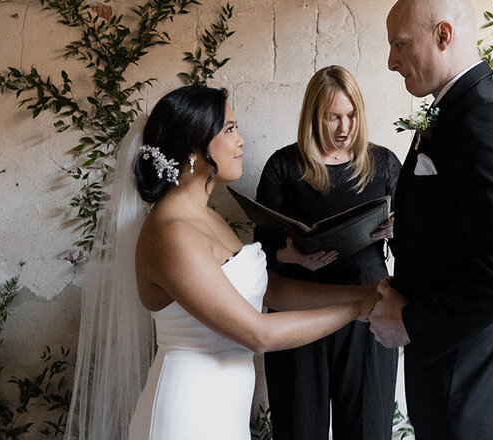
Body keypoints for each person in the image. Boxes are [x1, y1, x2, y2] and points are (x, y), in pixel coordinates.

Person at [65, 84, 380, 440]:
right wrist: (359, 307)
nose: (241, 140)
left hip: (223, 414)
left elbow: (271, 290)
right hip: (186, 415)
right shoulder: (171, 234)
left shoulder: (208, 218)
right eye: (229, 129)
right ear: (195, 148)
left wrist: (365, 291)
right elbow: (259, 334)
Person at [369, 0, 493, 440]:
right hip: (455, 378)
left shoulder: (485, 117)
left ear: (443, 35)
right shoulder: (455, 111)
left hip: (480, 387)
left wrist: (410, 323)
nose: (391, 61)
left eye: (399, 44)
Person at [256, 66, 400, 440]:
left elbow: (414, 246)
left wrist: (400, 229)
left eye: (351, 115)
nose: (343, 127)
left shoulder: (383, 164)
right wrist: (293, 258)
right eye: (332, 116)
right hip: (299, 308)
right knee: (299, 426)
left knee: (368, 426)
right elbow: (262, 251)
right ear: (312, 116)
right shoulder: (284, 166)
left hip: (368, 308)